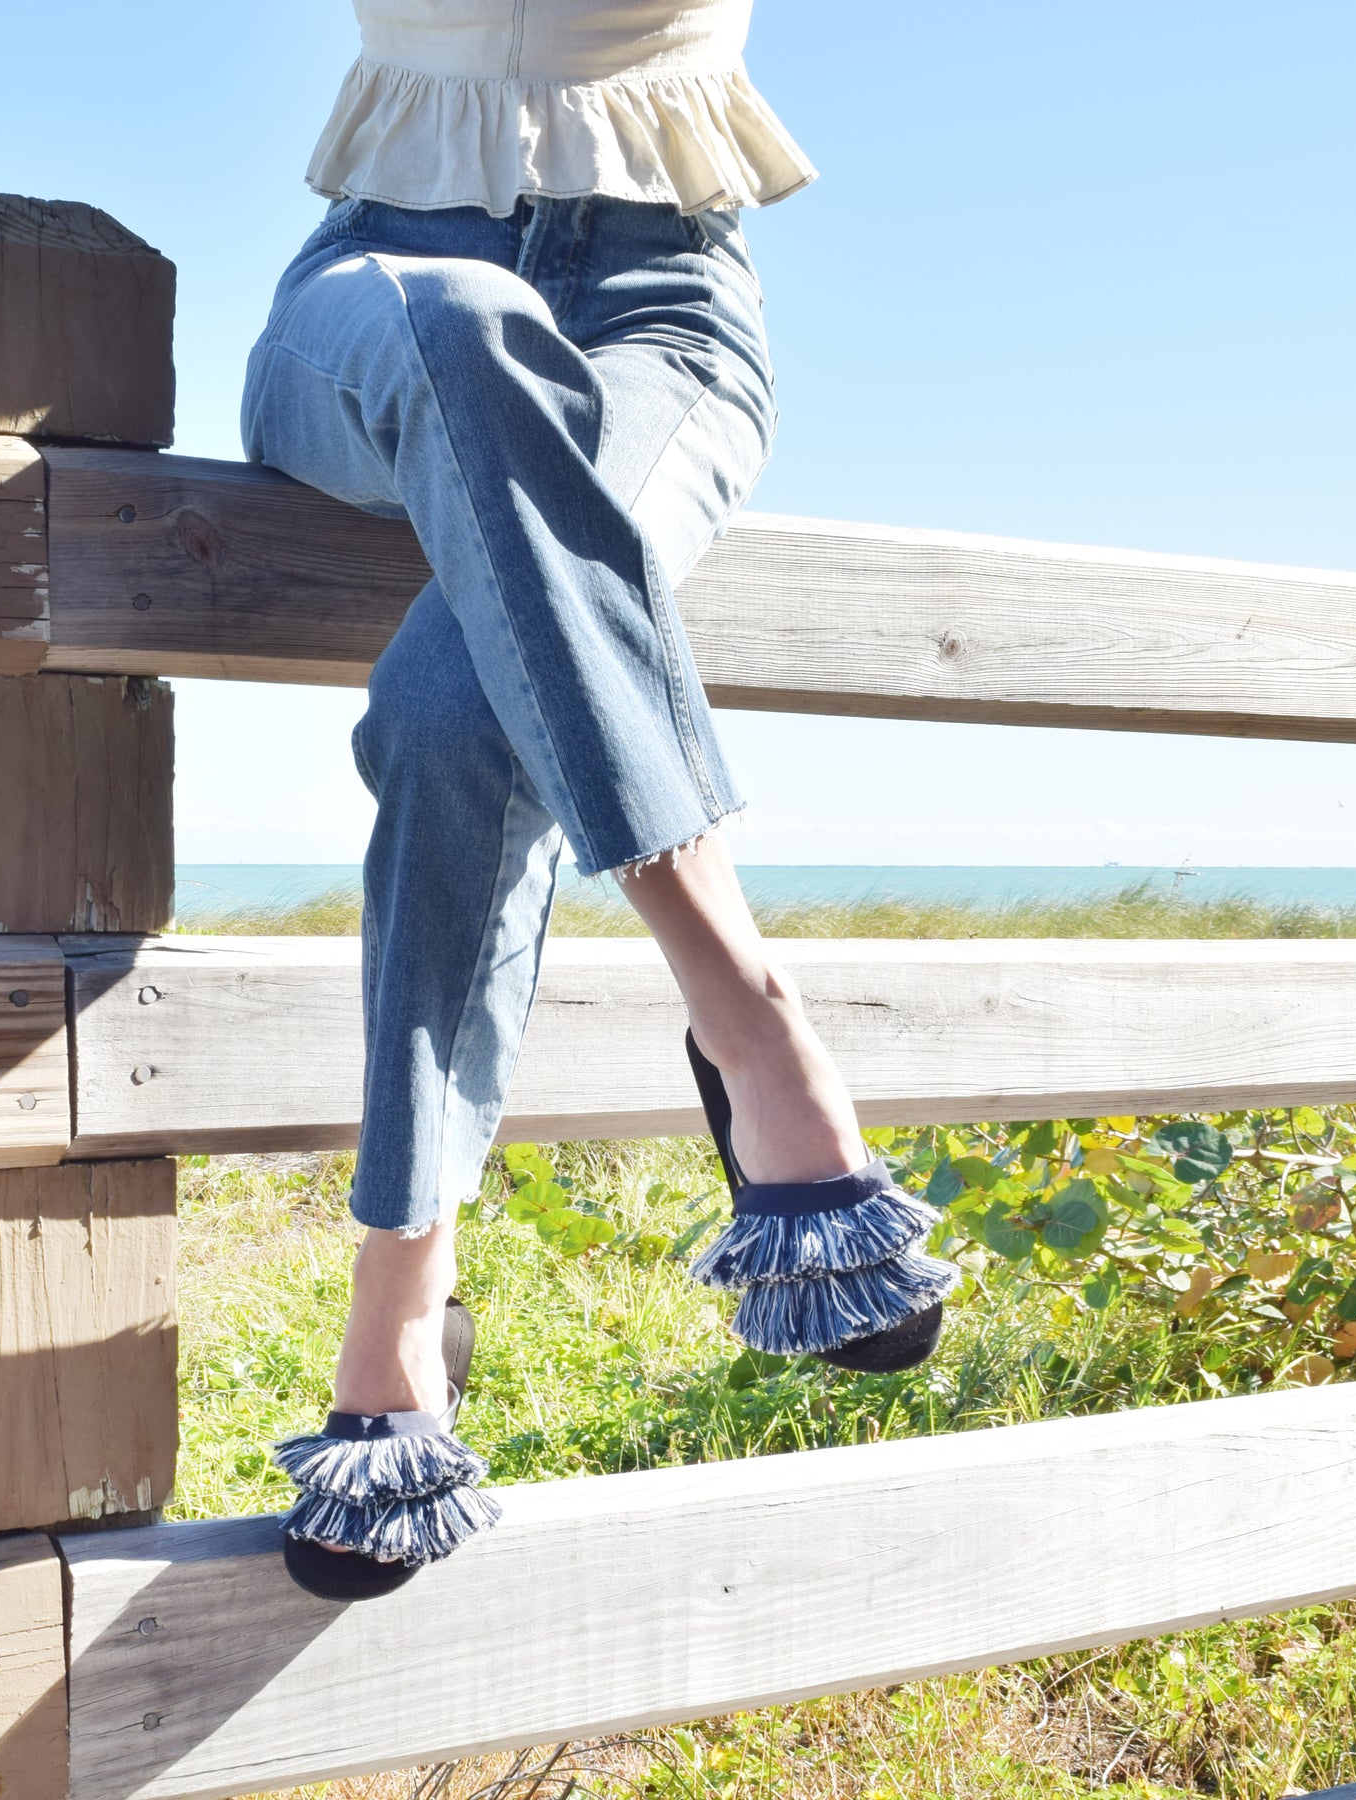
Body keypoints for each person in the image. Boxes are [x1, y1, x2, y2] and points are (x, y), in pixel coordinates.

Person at [243, 0, 954, 1601]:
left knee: (452, 697)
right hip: (375, 291)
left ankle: (404, 1277)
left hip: (663, 309)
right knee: (466, 320)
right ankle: (750, 1014)